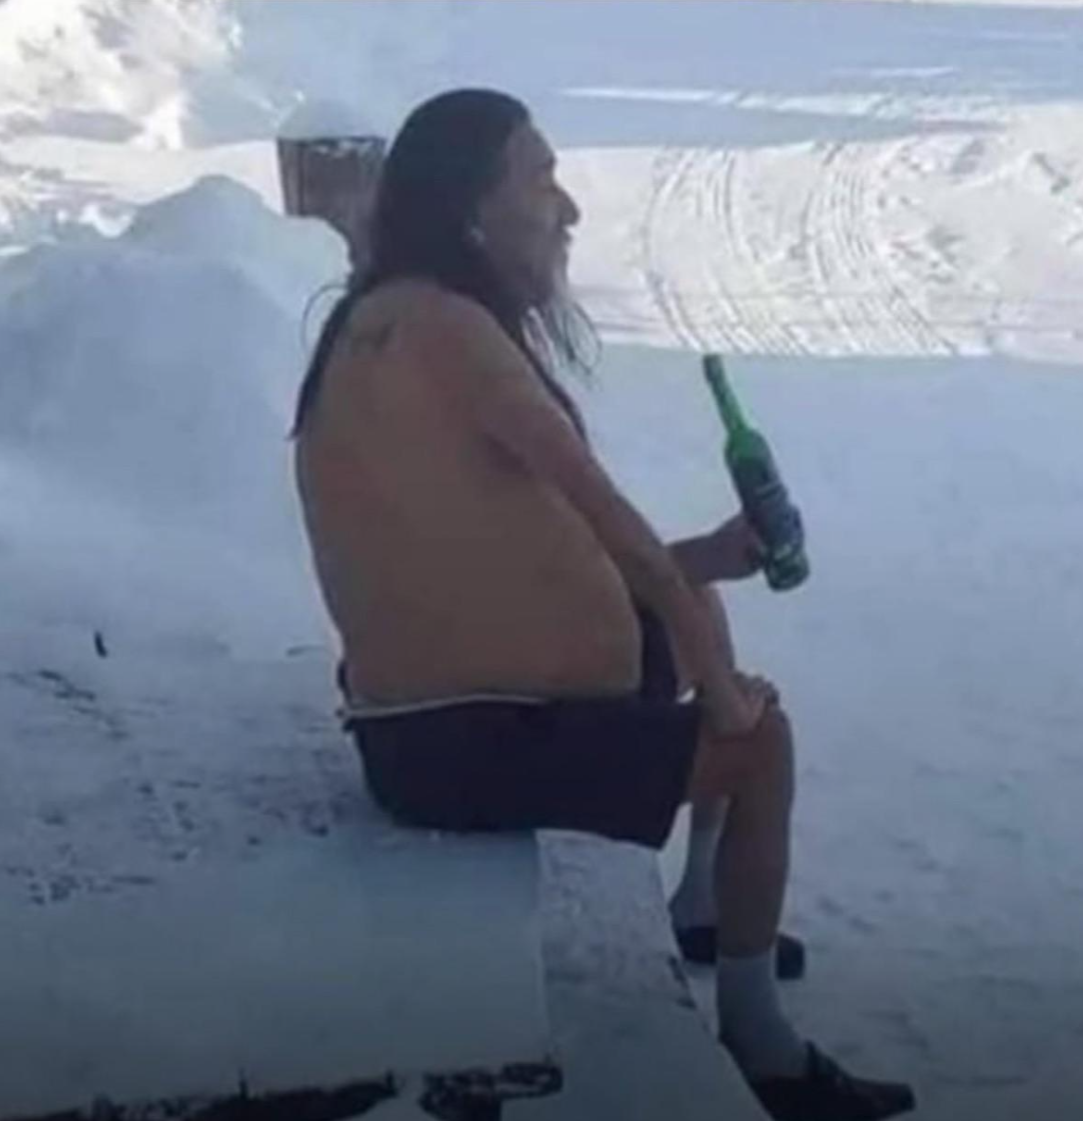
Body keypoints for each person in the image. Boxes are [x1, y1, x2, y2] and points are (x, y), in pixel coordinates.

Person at [292, 88, 915, 1121]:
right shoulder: (454, 334)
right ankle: (762, 1043)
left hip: (431, 721)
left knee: (691, 606)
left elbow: (518, 560)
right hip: (464, 743)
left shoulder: (383, 317)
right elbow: (605, 517)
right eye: (541, 179)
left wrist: (708, 560)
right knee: (760, 744)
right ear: (471, 210)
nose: (567, 207)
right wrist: (722, 697)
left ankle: (705, 902)